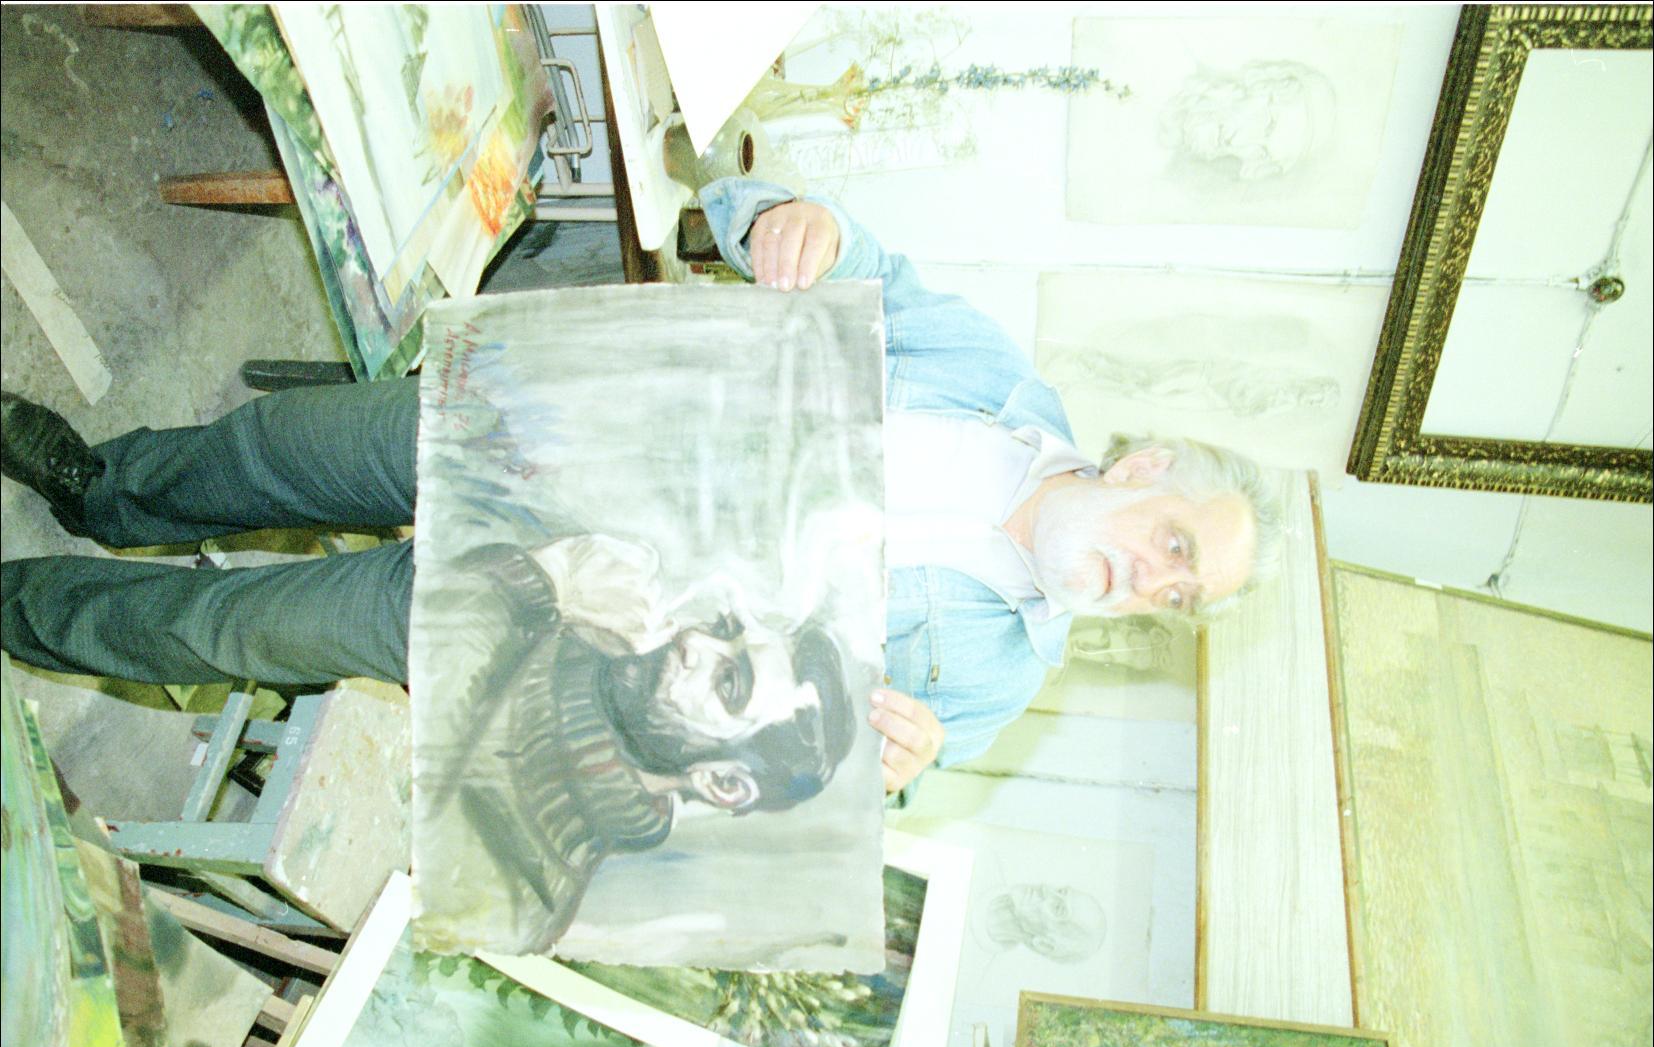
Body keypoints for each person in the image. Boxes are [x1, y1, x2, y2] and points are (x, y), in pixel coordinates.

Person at [0, 177, 1276, 798]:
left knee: (241, 630)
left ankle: (21, 609)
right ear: (1143, 469)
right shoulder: (991, 376)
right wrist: (798, 220)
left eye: (1178, 595)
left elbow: (802, 792)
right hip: (545, 426)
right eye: (1176, 544)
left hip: (553, 617)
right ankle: (104, 488)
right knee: (277, 449)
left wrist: (878, 782)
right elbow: (835, 247)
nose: (1151, 581)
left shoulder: (992, 681)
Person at [416, 536, 855, 952]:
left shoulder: (519, 902)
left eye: (728, 681)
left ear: (722, 784)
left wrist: (544, 579)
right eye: (722, 629)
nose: (693, 641)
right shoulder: (577, 635)